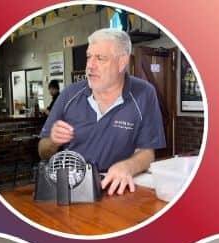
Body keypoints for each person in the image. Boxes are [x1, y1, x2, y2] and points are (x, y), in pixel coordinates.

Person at [38, 28, 166, 196]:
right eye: (89, 57)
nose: (90, 65)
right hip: (73, 188)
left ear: (122, 63)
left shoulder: (144, 93)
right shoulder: (69, 95)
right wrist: (53, 141)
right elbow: (43, 151)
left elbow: (147, 152)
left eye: (100, 58)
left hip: (119, 188)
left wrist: (128, 166)